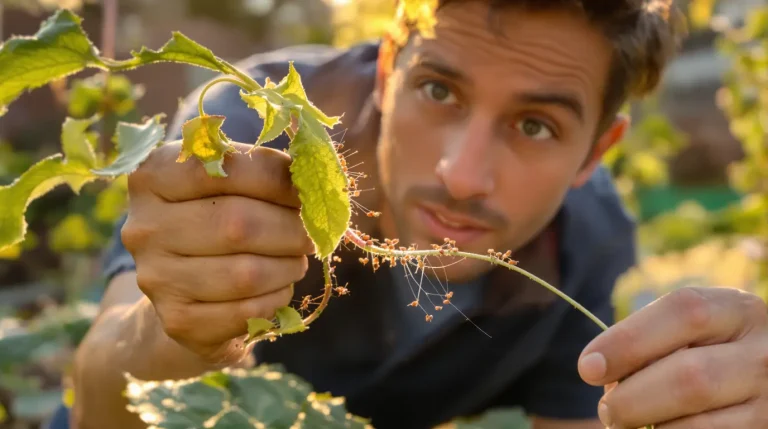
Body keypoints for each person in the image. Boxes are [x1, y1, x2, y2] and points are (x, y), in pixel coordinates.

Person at [53, 1, 768, 428]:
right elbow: (96, 403)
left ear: (595, 152)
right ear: (390, 69)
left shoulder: (588, 247)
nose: (461, 174)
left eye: (535, 125)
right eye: (438, 91)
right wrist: (171, 328)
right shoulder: (255, 127)